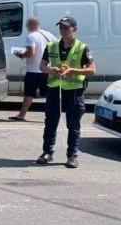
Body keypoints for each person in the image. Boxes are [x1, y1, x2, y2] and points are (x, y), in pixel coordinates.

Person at [38, 16, 95, 169]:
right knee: (50, 122)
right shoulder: (51, 46)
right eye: (61, 27)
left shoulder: (82, 48)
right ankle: (47, 152)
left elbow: (91, 70)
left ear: (74, 29)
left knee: (73, 125)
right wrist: (51, 69)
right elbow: (42, 66)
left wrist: (73, 71)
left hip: (74, 91)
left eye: (67, 27)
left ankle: (72, 156)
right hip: (55, 89)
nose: (63, 30)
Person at [10, 17, 54, 121]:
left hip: (34, 70)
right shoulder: (48, 34)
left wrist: (20, 54)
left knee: (29, 94)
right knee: (49, 95)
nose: (27, 27)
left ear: (32, 25)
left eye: (28, 25)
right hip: (47, 69)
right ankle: (51, 116)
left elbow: (31, 53)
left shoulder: (31, 36)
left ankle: (21, 115)